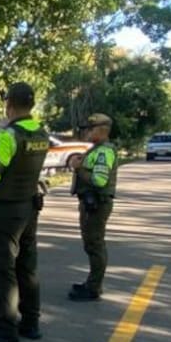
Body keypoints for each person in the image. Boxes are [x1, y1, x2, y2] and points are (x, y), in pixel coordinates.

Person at [0, 82, 51, 342]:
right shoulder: (41, 133)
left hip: (6, 210)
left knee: (2, 269)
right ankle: (31, 323)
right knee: (27, 266)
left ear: (9, 104)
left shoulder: (6, 137)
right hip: (29, 207)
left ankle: (7, 331)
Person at [69, 113, 117, 302]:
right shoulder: (96, 149)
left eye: (90, 128)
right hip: (90, 203)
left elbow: (99, 180)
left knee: (95, 245)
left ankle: (94, 287)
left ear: (101, 130)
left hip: (97, 204)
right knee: (91, 244)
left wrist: (79, 168)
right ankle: (91, 282)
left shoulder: (104, 151)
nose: (86, 132)